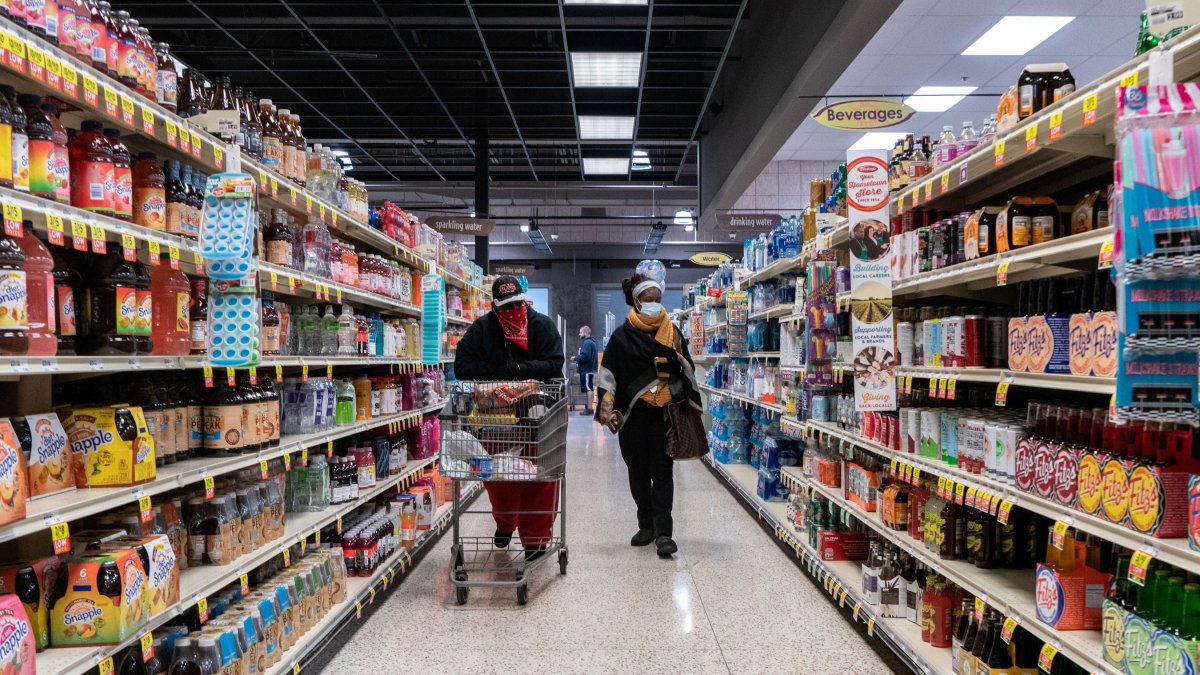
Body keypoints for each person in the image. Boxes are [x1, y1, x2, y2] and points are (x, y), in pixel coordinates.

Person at [454, 275, 565, 560]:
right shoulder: (483, 329)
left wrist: (521, 370)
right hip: (496, 416)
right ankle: (505, 523)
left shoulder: (542, 326)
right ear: (494, 307)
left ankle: (535, 540)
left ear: (524, 301)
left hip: (541, 414)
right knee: (498, 475)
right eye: (505, 307)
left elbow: (555, 363)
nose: (513, 311)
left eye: (517, 304)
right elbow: (462, 365)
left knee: (540, 476)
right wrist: (499, 373)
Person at [594, 273, 701, 557]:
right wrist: (607, 408)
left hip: (664, 415)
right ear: (636, 300)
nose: (654, 303)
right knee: (637, 472)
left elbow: (687, 367)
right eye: (648, 299)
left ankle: (664, 532)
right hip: (633, 415)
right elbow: (608, 375)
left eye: (658, 299)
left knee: (663, 472)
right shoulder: (620, 337)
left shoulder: (673, 333)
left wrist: (673, 366)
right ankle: (646, 525)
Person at [574, 326, 598, 415]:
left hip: (587, 369)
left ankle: (589, 409)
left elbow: (585, 356)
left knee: (588, 388)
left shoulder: (587, 343)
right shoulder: (592, 342)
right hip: (590, 369)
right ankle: (589, 407)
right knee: (589, 388)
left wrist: (576, 358)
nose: (579, 334)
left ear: (585, 332)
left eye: (580, 332)